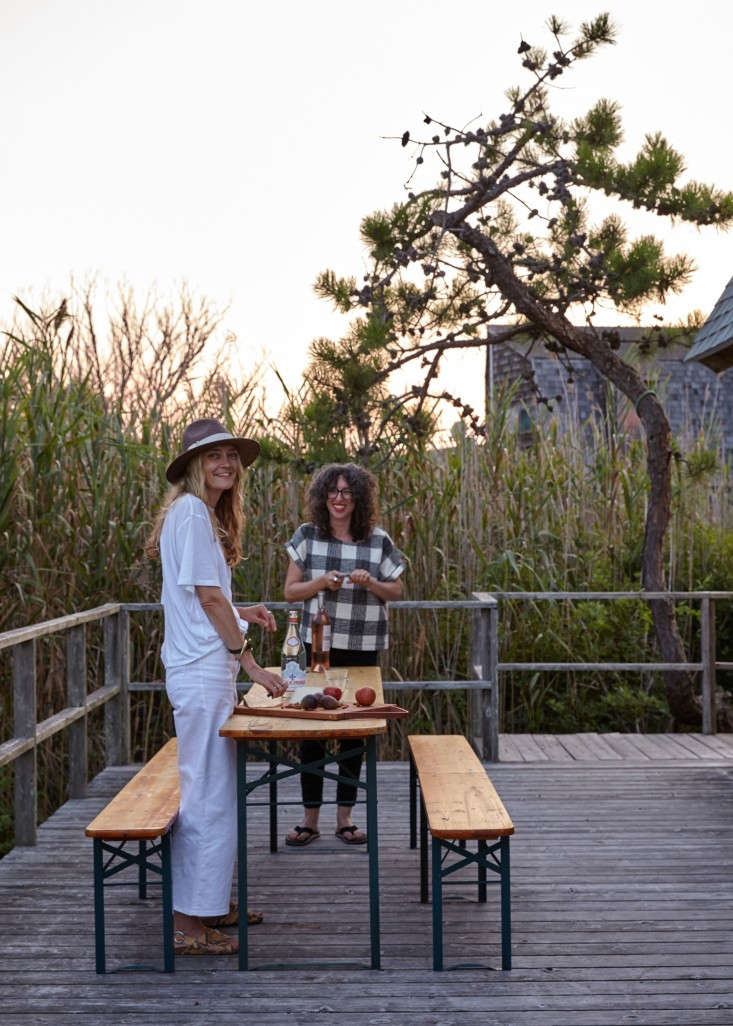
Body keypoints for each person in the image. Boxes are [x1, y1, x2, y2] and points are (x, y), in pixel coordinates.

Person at [146, 418, 286, 956]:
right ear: (193, 466)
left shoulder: (192, 515)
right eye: (213, 456)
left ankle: (210, 904)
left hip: (204, 671)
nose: (226, 463)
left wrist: (242, 610)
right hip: (204, 675)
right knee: (204, 795)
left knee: (217, 791)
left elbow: (205, 599)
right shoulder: (192, 514)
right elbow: (205, 599)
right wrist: (250, 663)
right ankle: (187, 924)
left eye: (231, 455)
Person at [283, 463, 404, 847]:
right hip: (318, 649)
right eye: (333, 492)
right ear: (323, 496)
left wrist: (374, 584)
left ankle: (345, 818)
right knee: (312, 731)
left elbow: (397, 591)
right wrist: (320, 582)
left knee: (354, 733)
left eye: (347, 492)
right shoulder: (307, 536)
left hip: (364, 646)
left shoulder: (378, 540)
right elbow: (290, 592)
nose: (339, 498)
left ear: (358, 498)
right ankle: (309, 819)